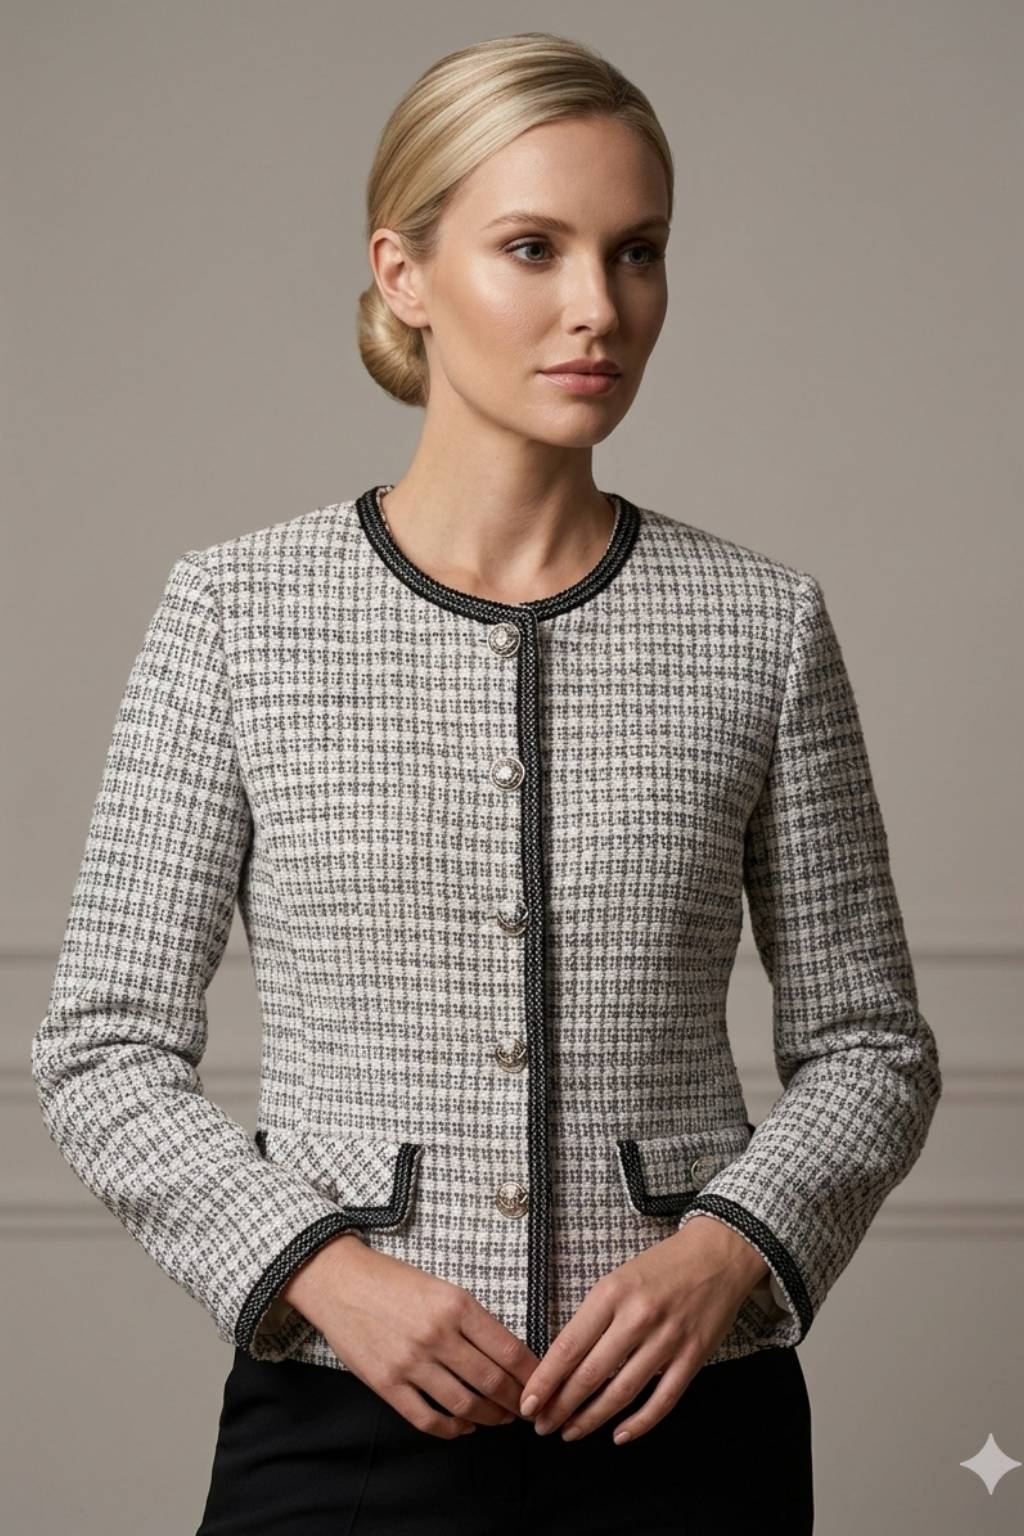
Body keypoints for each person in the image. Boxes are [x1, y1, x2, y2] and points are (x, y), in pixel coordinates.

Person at [31, 31, 942, 1536]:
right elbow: (101, 1050)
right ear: (403, 273)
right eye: (534, 248)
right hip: (340, 1425)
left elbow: (872, 1045)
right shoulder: (238, 616)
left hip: (691, 1429)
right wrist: (321, 1271)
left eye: (638, 251)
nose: (601, 306)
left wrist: (729, 1249)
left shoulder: (760, 625)